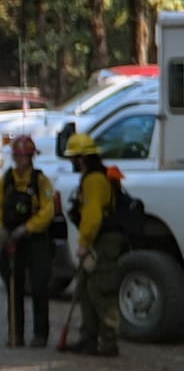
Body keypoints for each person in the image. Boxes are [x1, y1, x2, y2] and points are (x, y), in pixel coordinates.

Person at [0, 134, 55, 348]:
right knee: (13, 287)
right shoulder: (7, 180)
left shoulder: (40, 180)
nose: (21, 161)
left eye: (25, 157)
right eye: (18, 156)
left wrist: (27, 228)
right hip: (11, 241)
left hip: (36, 240)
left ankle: (40, 335)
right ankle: (15, 334)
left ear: (32, 157)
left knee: (39, 286)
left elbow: (47, 211)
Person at [61, 131, 122, 357]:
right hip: (98, 238)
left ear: (81, 158)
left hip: (103, 241)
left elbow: (93, 215)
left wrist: (84, 244)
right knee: (85, 288)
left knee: (101, 289)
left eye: (73, 159)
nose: (72, 164)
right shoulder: (94, 177)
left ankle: (108, 343)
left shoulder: (94, 180)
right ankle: (88, 339)